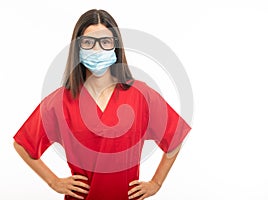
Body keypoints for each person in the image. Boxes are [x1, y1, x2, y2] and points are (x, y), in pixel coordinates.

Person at [13, 9, 191, 200]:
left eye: (105, 42)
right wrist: (53, 181)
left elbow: (175, 137)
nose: (97, 50)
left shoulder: (141, 95)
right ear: (78, 47)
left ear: (115, 46)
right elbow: (22, 144)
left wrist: (156, 183)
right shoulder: (60, 101)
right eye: (88, 42)